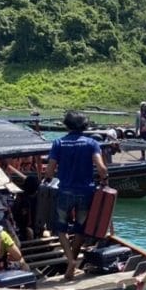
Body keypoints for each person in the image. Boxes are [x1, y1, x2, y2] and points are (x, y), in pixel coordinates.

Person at [45, 111, 108, 280]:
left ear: (67, 125)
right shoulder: (92, 143)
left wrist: (48, 179)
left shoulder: (59, 143)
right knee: (80, 229)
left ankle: (71, 261)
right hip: (86, 192)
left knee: (60, 229)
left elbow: (49, 171)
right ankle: (71, 266)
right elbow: (102, 169)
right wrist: (105, 181)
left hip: (65, 191)